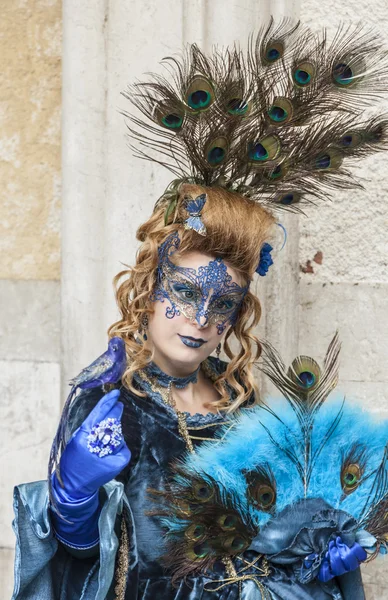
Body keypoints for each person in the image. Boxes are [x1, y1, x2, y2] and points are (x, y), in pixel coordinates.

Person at [12, 19, 388, 600]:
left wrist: (318, 562)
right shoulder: (110, 401)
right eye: (185, 293)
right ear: (150, 285)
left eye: (223, 304)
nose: (200, 318)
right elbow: (82, 560)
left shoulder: (244, 410)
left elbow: (265, 558)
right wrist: (72, 498)